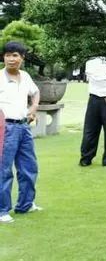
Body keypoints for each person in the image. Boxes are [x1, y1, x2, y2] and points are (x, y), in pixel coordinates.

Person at [0, 41, 42, 224]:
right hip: (5, 128)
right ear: (3, 57)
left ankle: (26, 204)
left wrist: (33, 108)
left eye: (15, 55)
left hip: (24, 127)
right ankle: (2, 210)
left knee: (29, 167)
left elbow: (36, 92)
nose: (11, 59)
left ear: (22, 58)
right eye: (8, 55)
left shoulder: (25, 76)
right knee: (4, 170)